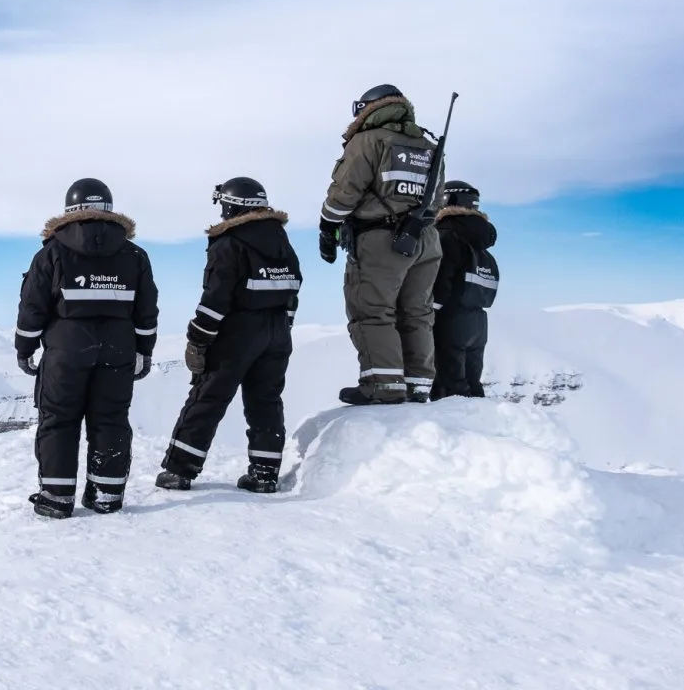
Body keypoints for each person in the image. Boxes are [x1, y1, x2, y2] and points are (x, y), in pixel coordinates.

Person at [15, 178, 159, 519]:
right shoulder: (135, 255)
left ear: (69, 211)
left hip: (66, 352)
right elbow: (147, 310)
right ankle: (106, 494)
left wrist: (25, 348)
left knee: (59, 421)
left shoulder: (51, 252)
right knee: (110, 419)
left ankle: (56, 497)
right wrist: (145, 349)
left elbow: (32, 307)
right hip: (119, 349)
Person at [156, 178, 300, 495]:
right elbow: (294, 289)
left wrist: (197, 340)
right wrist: (282, 328)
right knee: (266, 401)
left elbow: (215, 301)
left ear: (232, 205)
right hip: (277, 333)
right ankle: (264, 474)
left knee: (207, 398)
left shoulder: (229, 243)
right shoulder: (281, 240)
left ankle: (179, 471)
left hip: (236, 334)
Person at [317, 84, 445, 405]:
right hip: (426, 239)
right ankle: (418, 385)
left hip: (381, 239)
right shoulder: (428, 146)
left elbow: (343, 192)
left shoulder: (368, 140)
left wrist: (327, 228)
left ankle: (383, 385)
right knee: (416, 312)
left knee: (371, 309)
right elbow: (437, 199)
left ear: (370, 108)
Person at [430, 180, 499, 399]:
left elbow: (441, 277)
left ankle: (454, 432)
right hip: (478, 322)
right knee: (472, 383)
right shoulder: (482, 246)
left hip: (448, 319)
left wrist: (428, 310)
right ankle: (480, 425)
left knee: (449, 388)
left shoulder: (446, 236)